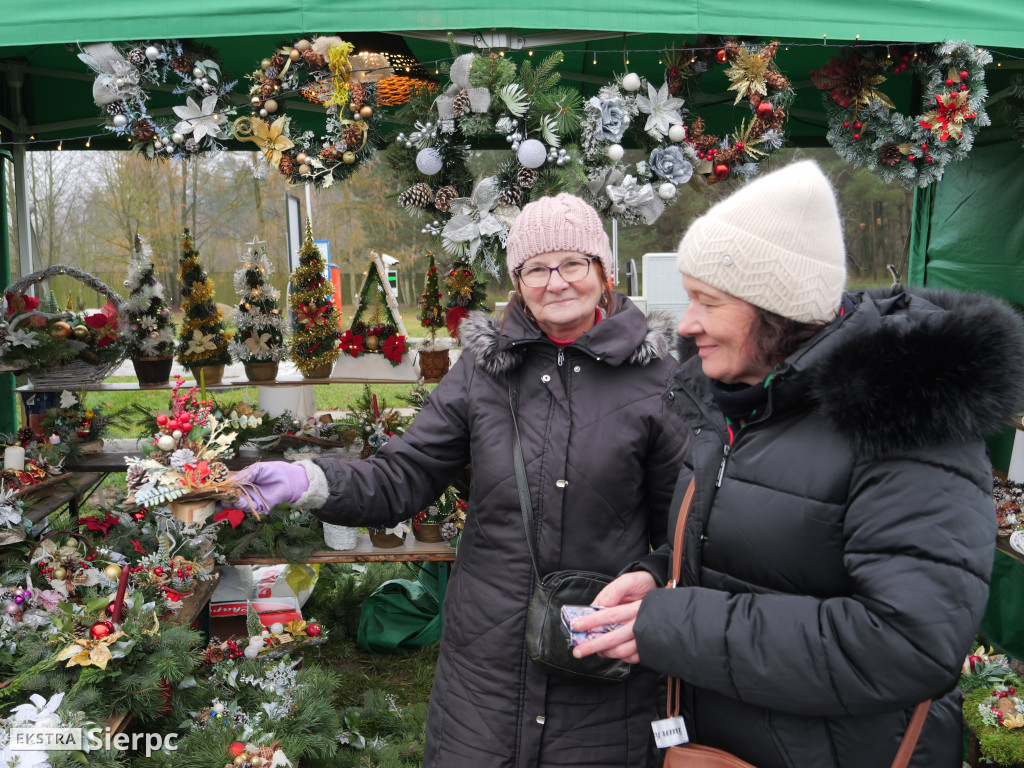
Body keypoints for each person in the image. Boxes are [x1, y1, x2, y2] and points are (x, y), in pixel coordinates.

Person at [572, 160, 1024, 768]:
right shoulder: (740, 404)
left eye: (707, 301)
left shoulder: (903, 421)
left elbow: (907, 643)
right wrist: (662, 575)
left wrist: (677, 624)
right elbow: (760, 554)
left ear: (776, 309)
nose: (686, 323)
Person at [237, 193, 687, 768]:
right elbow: (406, 473)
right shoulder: (482, 371)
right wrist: (310, 482)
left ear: (602, 270)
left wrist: (651, 578)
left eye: (573, 263)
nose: (556, 282)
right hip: (487, 666)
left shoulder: (656, 378)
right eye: (536, 268)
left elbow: (690, 522)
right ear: (517, 279)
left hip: (600, 659)